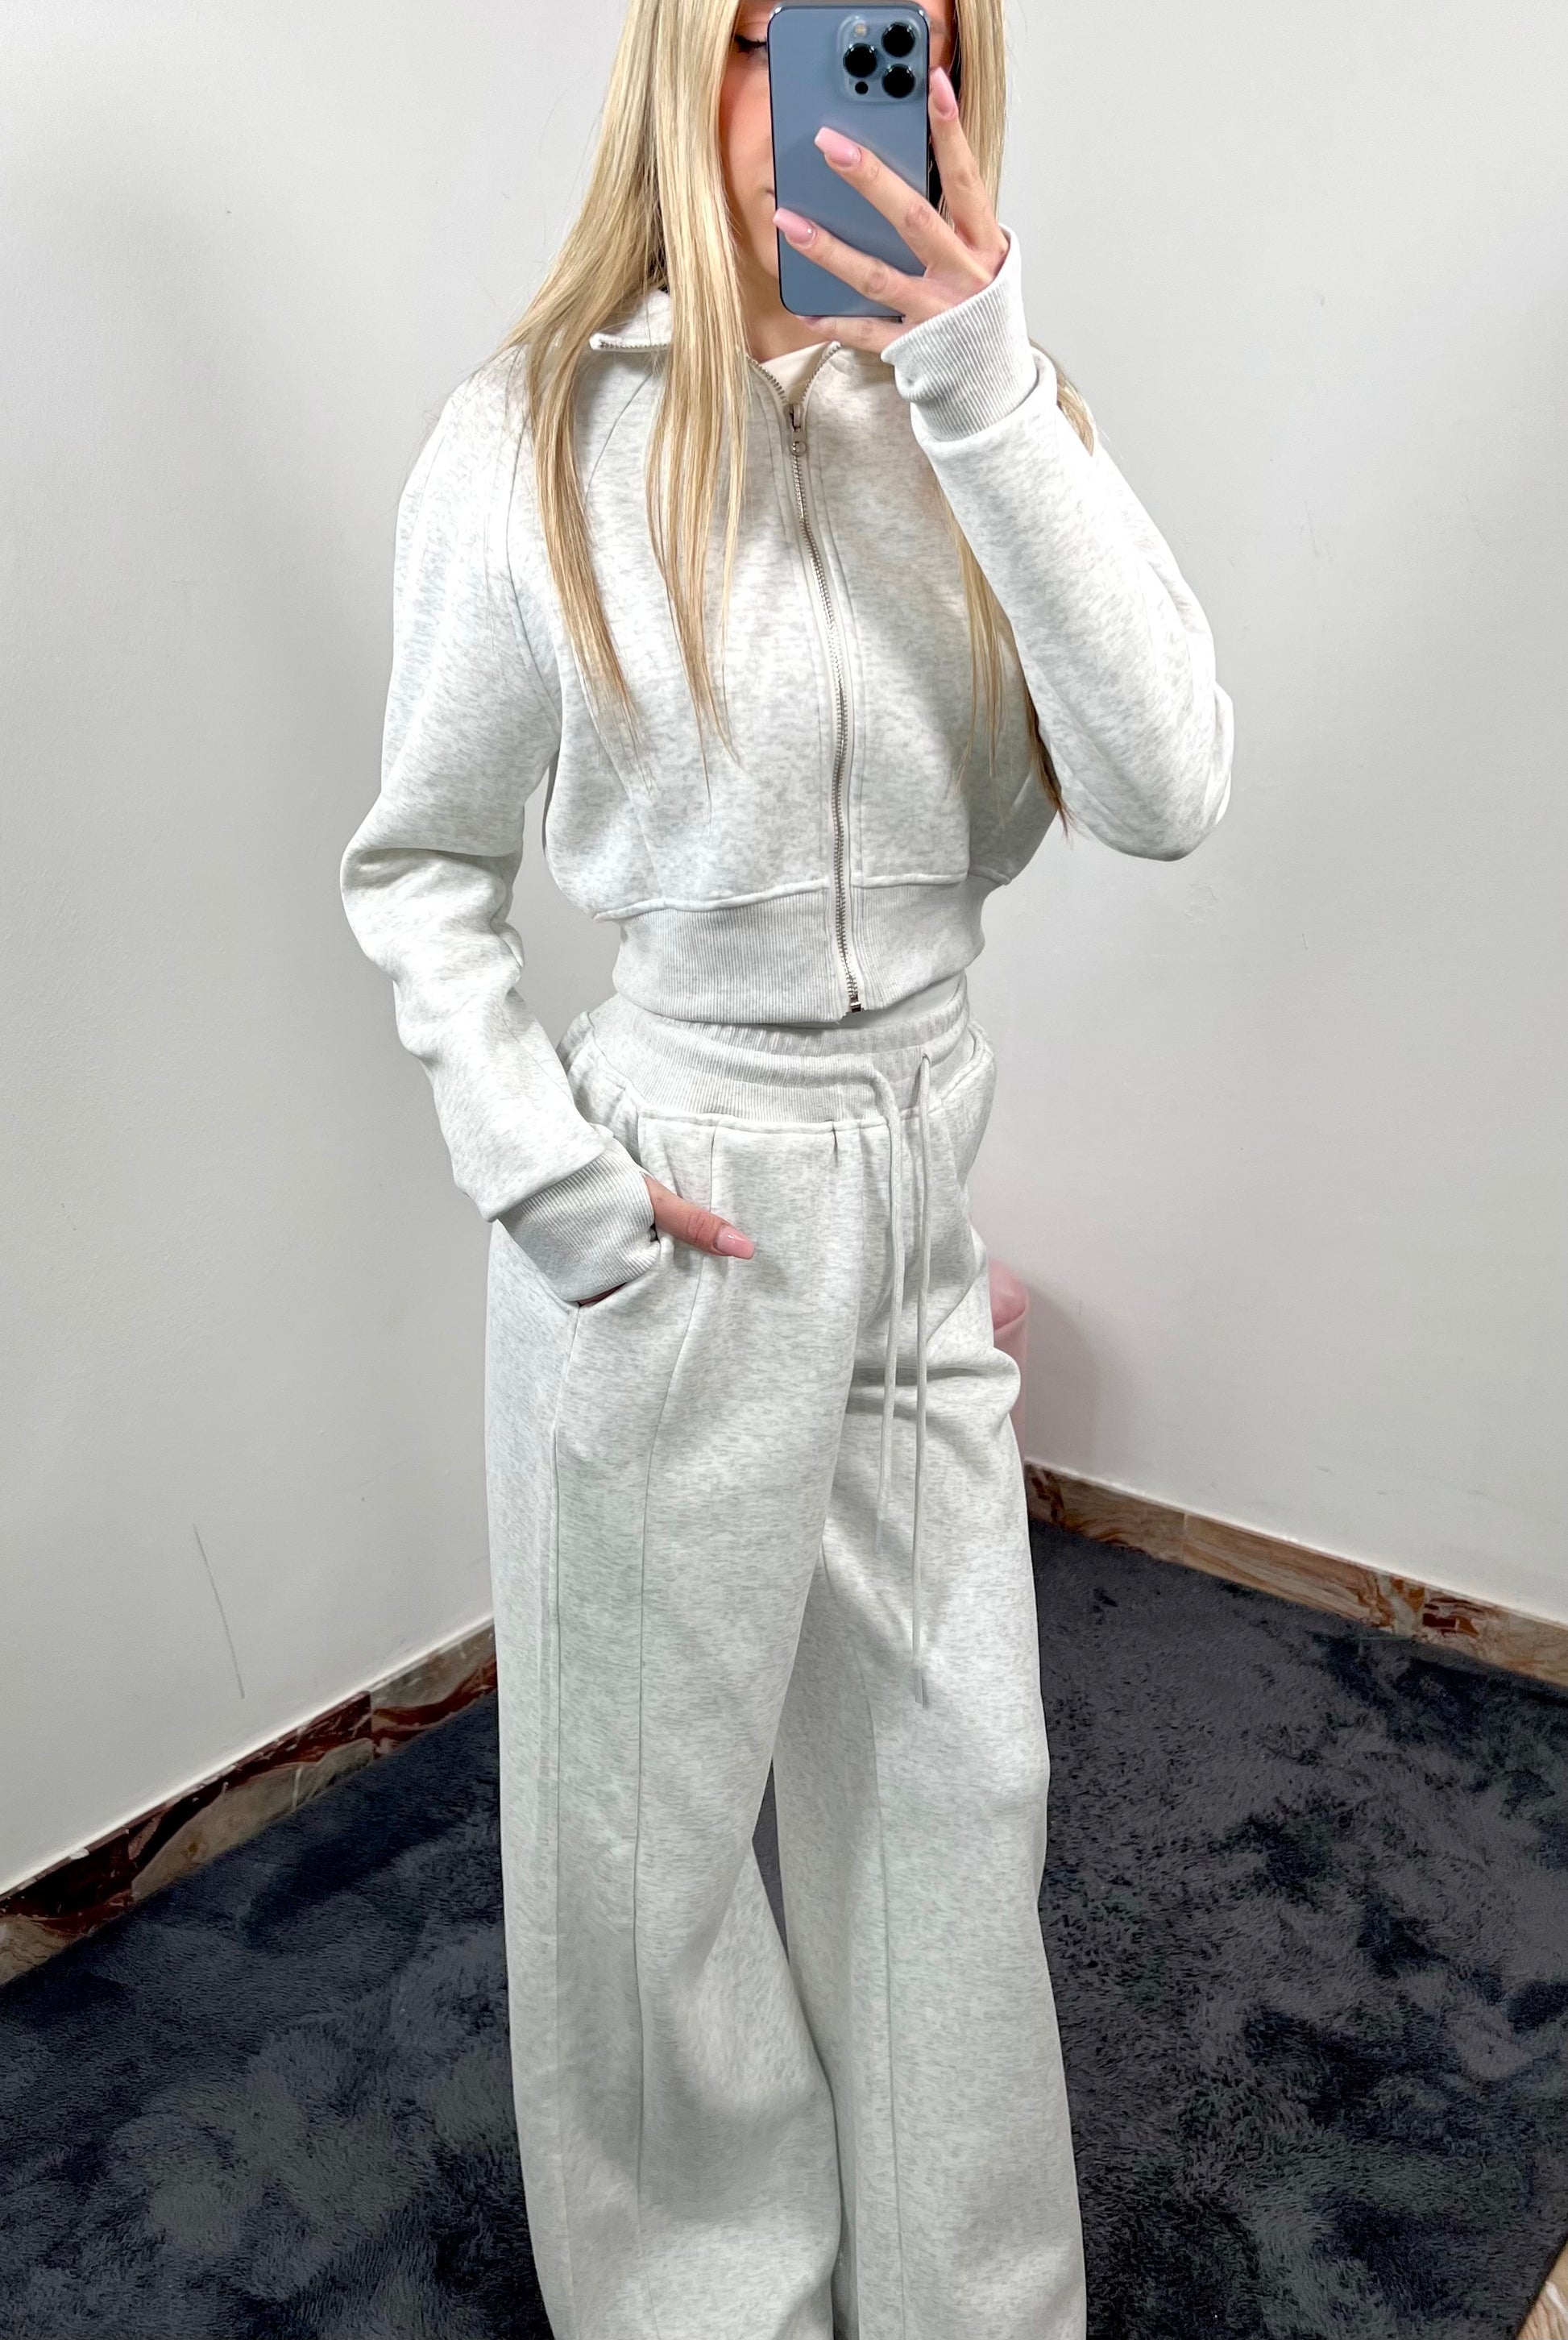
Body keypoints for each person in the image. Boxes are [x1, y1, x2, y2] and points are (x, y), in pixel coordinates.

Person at [339, 0, 1233, 2331]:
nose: (847, 100)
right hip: (677, 1197)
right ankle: (700, 2301)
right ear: (683, 65)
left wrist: (985, 380)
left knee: (955, 1791)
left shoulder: (993, 420)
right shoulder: (534, 438)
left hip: (919, 1171)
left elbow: (1165, 786)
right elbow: (420, 868)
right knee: (638, 1851)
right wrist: (556, 1188)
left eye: (896, 41)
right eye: (782, 37)